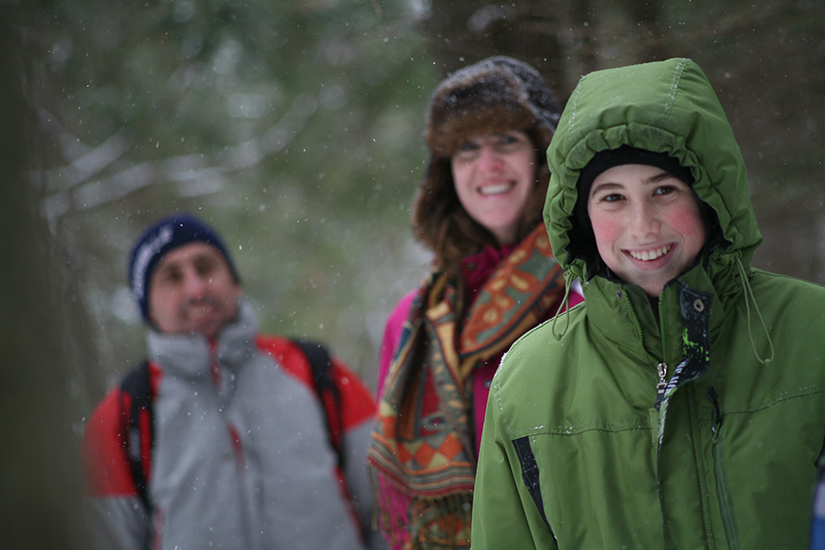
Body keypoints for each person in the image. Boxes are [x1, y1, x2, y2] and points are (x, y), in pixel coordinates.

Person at [471, 57, 825, 549]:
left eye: (663, 189)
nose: (642, 226)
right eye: (612, 198)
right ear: (581, 219)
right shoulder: (528, 381)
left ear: (708, 198)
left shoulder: (812, 332)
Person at [366, 56, 583, 549]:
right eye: (467, 149)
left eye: (506, 141)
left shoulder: (590, 286)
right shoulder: (413, 320)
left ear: (542, 152)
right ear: (446, 173)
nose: (487, 167)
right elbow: (399, 504)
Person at [81, 213, 384, 550]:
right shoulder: (121, 418)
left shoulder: (318, 371)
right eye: (172, 277)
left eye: (205, 267)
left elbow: (391, 513)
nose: (195, 288)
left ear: (234, 281)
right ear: (146, 307)